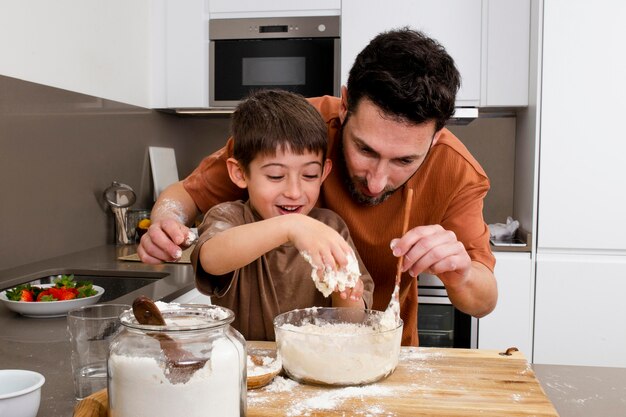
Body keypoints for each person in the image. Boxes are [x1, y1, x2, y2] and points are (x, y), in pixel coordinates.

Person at [138, 28, 498, 346]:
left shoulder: (459, 172)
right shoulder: (295, 133)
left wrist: (461, 273)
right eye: (365, 149)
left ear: (435, 139)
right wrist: (163, 223)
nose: (376, 181)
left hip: (382, 347)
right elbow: (183, 197)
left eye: (404, 161)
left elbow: (483, 301)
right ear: (344, 107)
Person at [190, 89, 374, 341]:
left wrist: (346, 292)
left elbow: (352, 323)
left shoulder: (331, 228)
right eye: (276, 176)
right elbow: (210, 259)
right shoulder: (229, 218)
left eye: (309, 175)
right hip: (248, 370)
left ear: (323, 172)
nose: (294, 191)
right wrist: (291, 225)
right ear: (240, 173)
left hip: (315, 369)